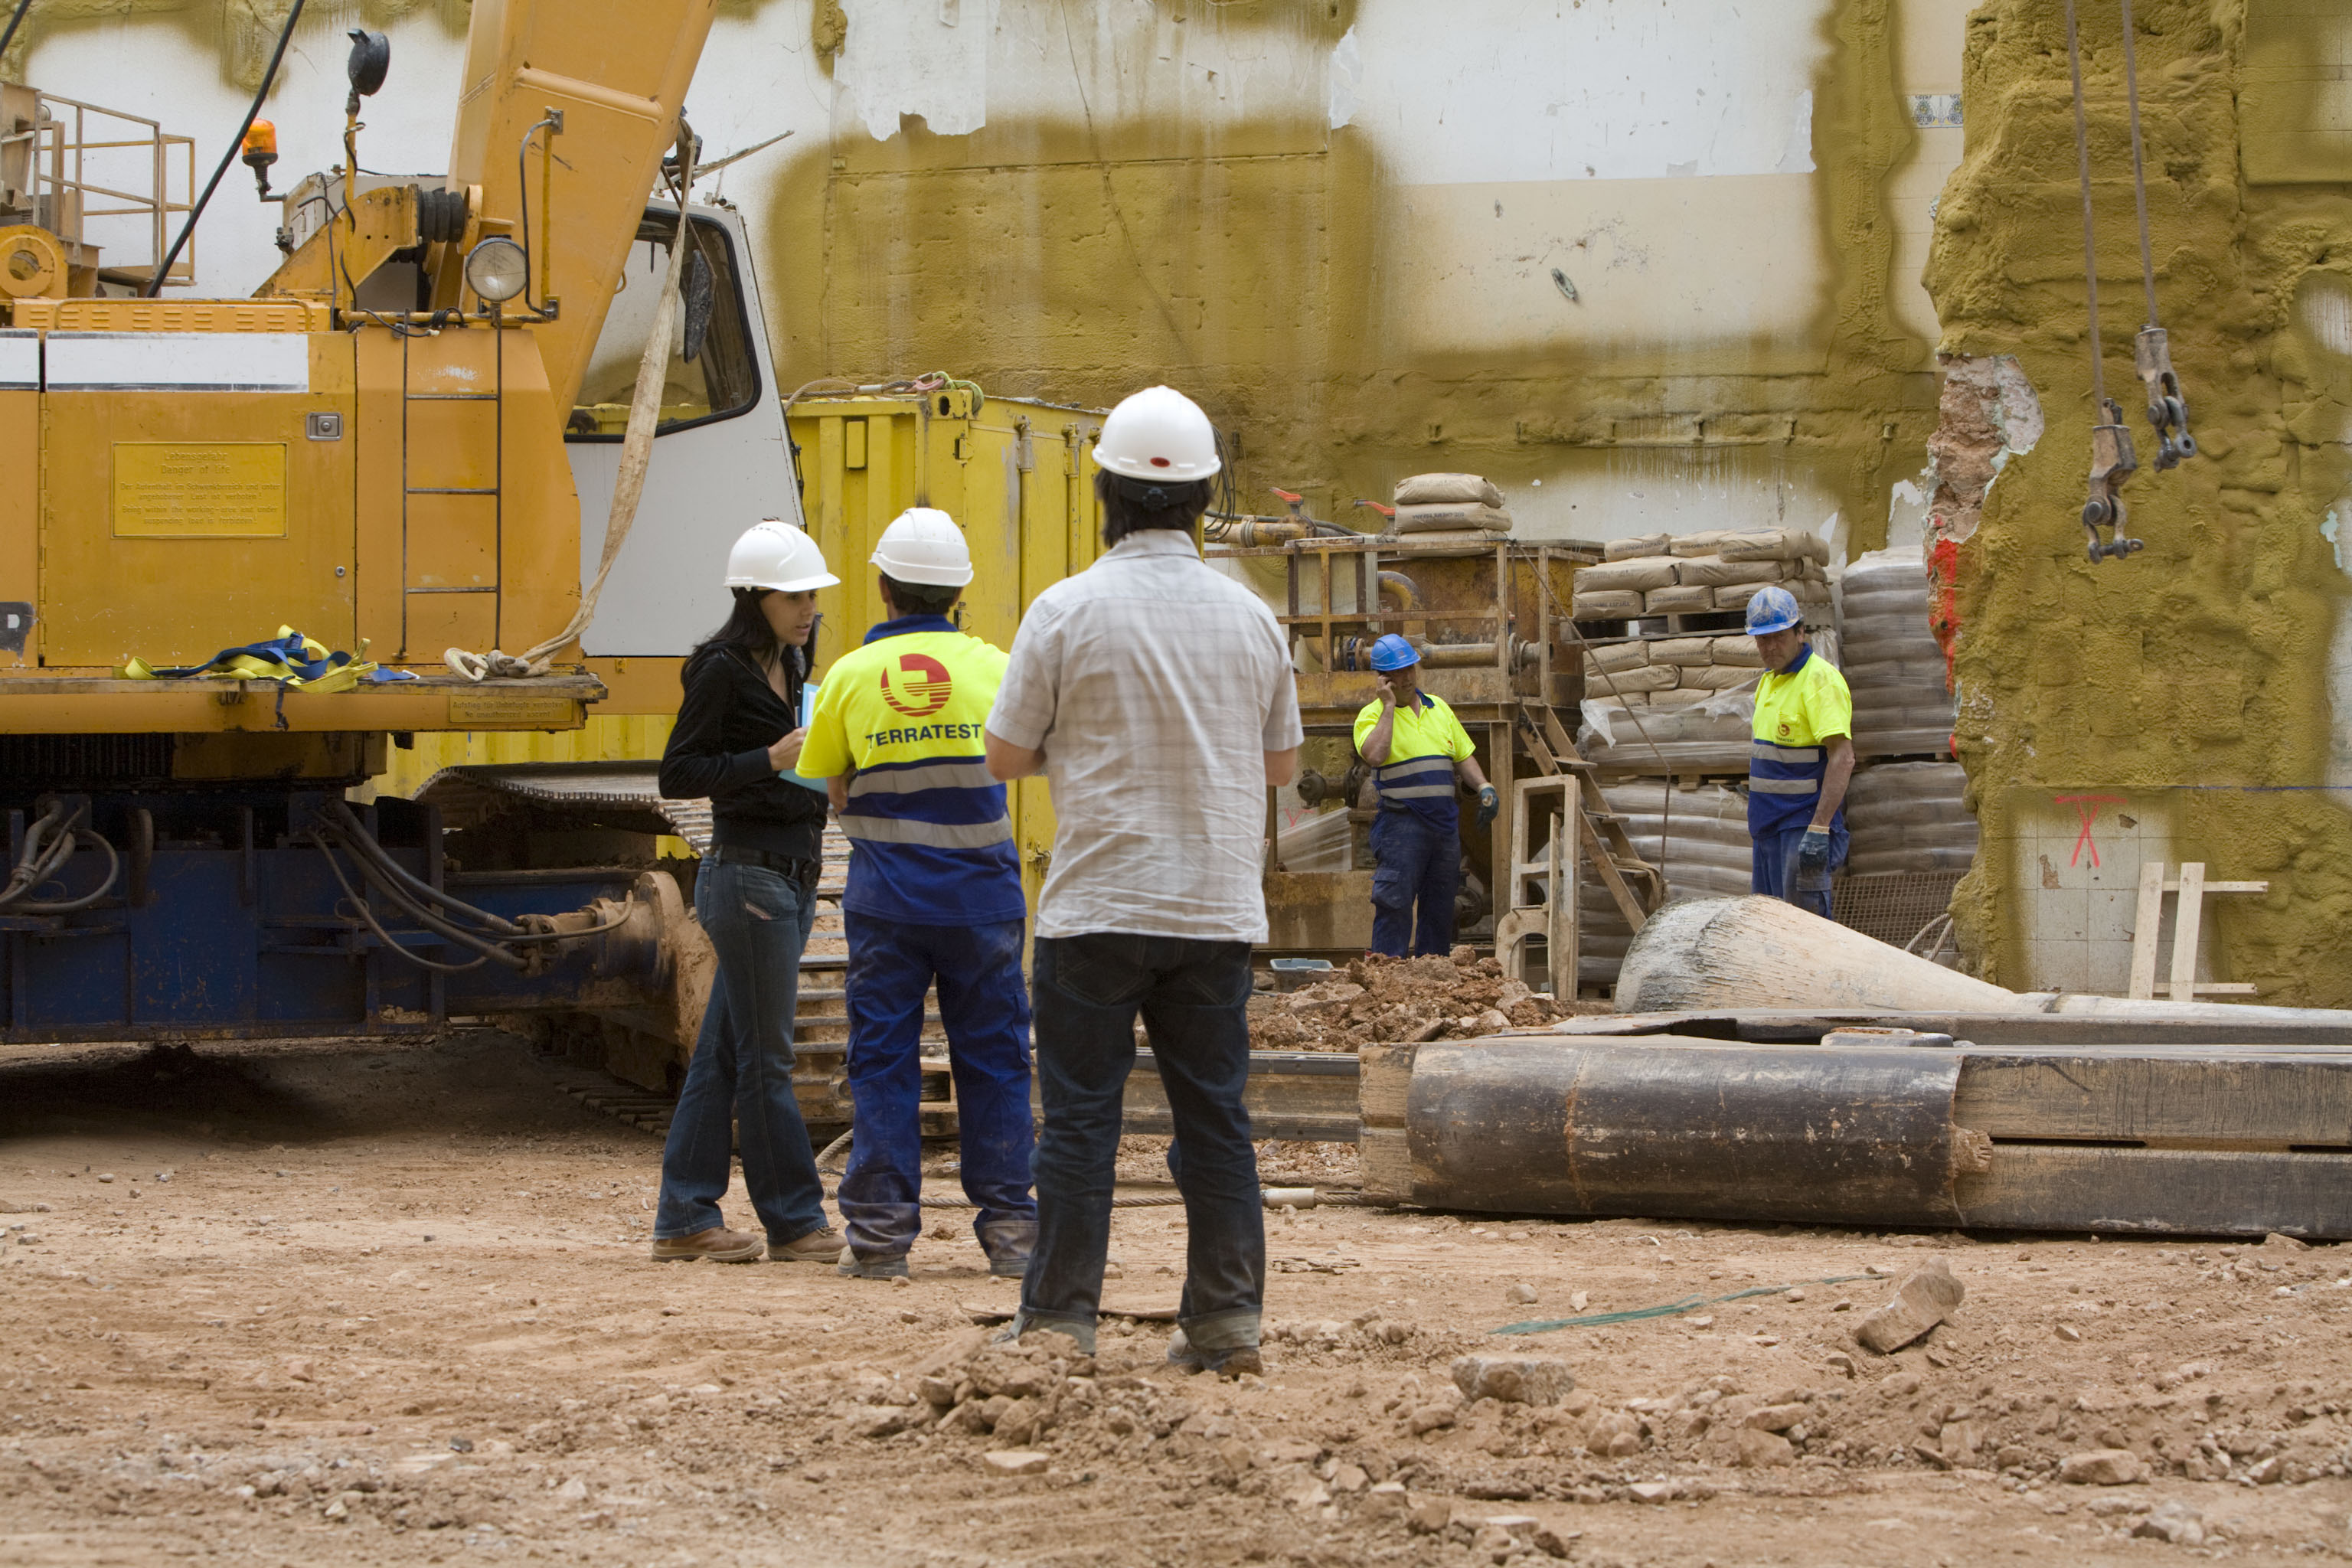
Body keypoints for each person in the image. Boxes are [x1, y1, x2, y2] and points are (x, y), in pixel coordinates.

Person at [982, 384, 1302, 1377]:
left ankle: (1059, 1323)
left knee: (1080, 1121)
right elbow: (1282, 766)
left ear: (1106, 494)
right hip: (1212, 910)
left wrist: (1084, 746)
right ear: (1203, 498)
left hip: (1098, 908)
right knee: (1215, 1119)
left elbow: (1005, 755)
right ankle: (1226, 1322)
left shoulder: (1064, 610)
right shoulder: (1252, 618)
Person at [796, 508, 1037, 1282]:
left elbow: (832, 786)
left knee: (883, 1062)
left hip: (888, 904)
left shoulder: (847, 676)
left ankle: (879, 1238)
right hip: (982, 901)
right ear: (959, 592)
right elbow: (1025, 758)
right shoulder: (995, 667)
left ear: (884, 587)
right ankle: (1012, 1232)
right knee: (995, 1060)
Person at [647, 519, 842, 1264]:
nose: (808, 608)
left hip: (794, 872)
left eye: (813, 595)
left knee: (724, 1056)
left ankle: (684, 1216)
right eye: (794, 596)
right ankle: (794, 1221)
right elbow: (680, 773)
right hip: (749, 878)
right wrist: (769, 758)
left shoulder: (796, 663)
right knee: (767, 1060)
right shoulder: (721, 669)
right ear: (754, 596)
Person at [1351, 633, 1496, 957]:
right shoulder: (1371, 716)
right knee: (1394, 903)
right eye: (1397, 673)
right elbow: (1375, 755)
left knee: (1441, 908)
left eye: (1410, 669)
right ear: (1383, 679)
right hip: (1402, 825)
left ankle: (1433, 975)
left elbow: (1463, 756)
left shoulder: (1438, 708)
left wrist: (1484, 786)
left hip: (1444, 827)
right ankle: (1387, 976)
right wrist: (1389, 707)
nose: (1406, 678)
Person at [1744, 584, 1854, 918]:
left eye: (1779, 637)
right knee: (1769, 928)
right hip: (1767, 829)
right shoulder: (1769, 681)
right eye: (1762, 639)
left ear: (1800, 632)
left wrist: (1819, 829)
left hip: (1802, 829)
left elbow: (1843, 758)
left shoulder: (1820, 680)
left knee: (1805, 930)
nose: (1770, 647)